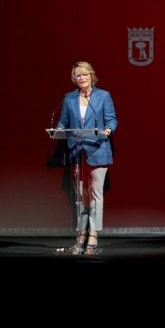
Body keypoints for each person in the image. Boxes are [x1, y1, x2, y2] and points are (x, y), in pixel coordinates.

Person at [51, 61, 118, 254]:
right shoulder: (69, 98)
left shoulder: (103, 96)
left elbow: (112, 119)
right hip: (75, 151)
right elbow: (63, 122)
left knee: (95, 195)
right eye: (77, 75)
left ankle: (93, 236)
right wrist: (60, 130)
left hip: (97, 150)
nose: (81, 78)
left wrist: (108, 129)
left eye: (84, 74)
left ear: (91, 75)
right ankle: (81, 235)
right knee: (81, 197)